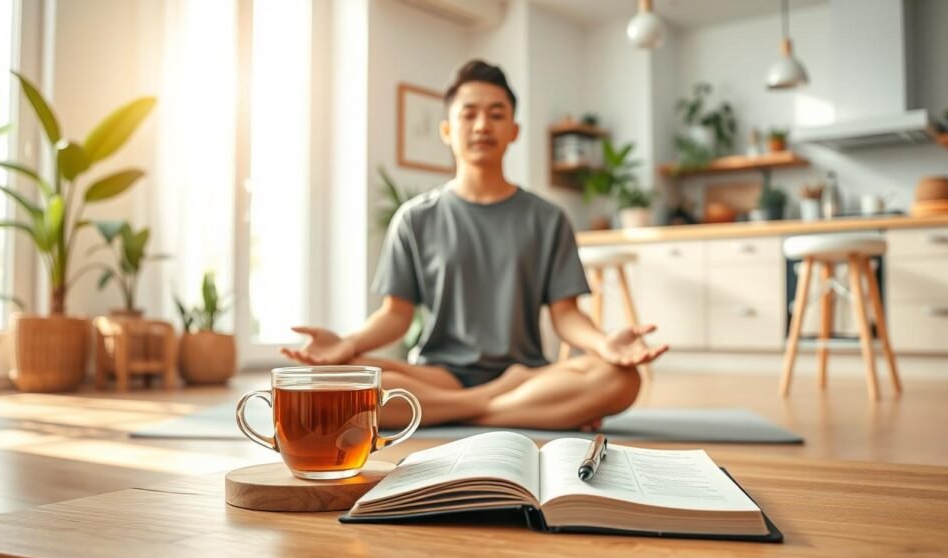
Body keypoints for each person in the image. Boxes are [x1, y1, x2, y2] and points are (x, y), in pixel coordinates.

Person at [282, 59, 667, 430]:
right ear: (447, 130)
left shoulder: (548, 218)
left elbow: (566, 315)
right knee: (331, 380)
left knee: (621, 379)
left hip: (527, 374)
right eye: (469, 114)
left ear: (514, 131)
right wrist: (346, 345)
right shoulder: (415, 218)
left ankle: (436, 414)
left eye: (496, 114)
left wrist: (603, 343)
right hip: (441, 377)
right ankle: (497, 408)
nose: (483, 125)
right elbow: (395, 315)